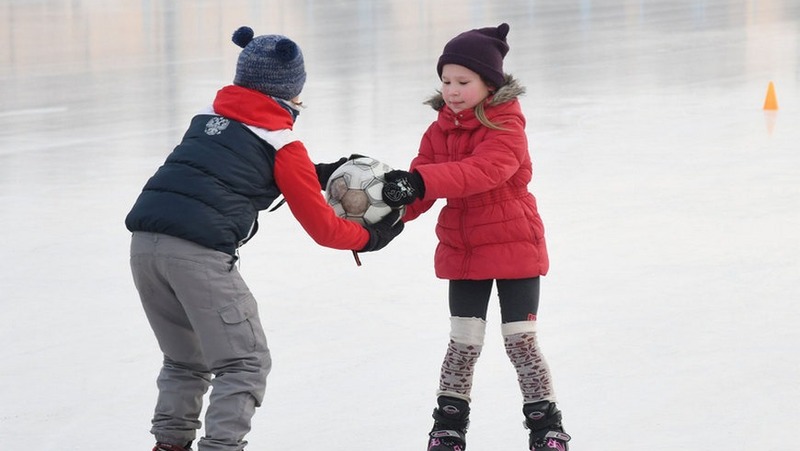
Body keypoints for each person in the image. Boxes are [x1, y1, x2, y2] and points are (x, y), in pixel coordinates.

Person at [125, 26, 404, 451]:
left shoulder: (208, 117)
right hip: (198, 256)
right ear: (290, 90)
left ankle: (169, 445)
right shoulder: (281, 142)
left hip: (144, 247)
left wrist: (325, 171)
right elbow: (324, 228)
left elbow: (236, 162)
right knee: (244, 362)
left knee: (185, 360)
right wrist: (370, 238)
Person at [381, 23, 570, 451]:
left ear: (489, 83)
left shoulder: (507, 127)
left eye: (463, 81)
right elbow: (423, 188)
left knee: (520, 342)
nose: (451, 90)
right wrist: (384, 220)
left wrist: (419, 182)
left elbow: (482, 172)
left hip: (514, 243)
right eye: (446, 80)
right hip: (463, 248)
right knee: (463, 342)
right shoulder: (439, 130)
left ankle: (546, 426)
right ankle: (448, 426)